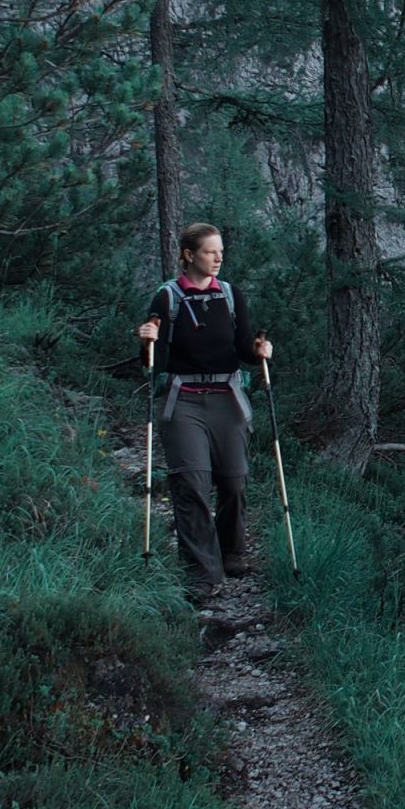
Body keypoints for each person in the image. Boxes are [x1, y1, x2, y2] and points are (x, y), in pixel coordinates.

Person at [137, 223, 273, 603]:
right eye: (211, 251)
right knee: (192, 484)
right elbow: (155, 363)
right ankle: (201, 573)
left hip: (227, 398)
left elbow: (245, 350)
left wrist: (261, 351)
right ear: (188, 255)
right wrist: (146, 342)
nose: (219, 258)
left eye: (221, 251)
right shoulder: (167, 298)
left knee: (233, 482)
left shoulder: (231, 296)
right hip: (183, 401)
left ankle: (231, 554)